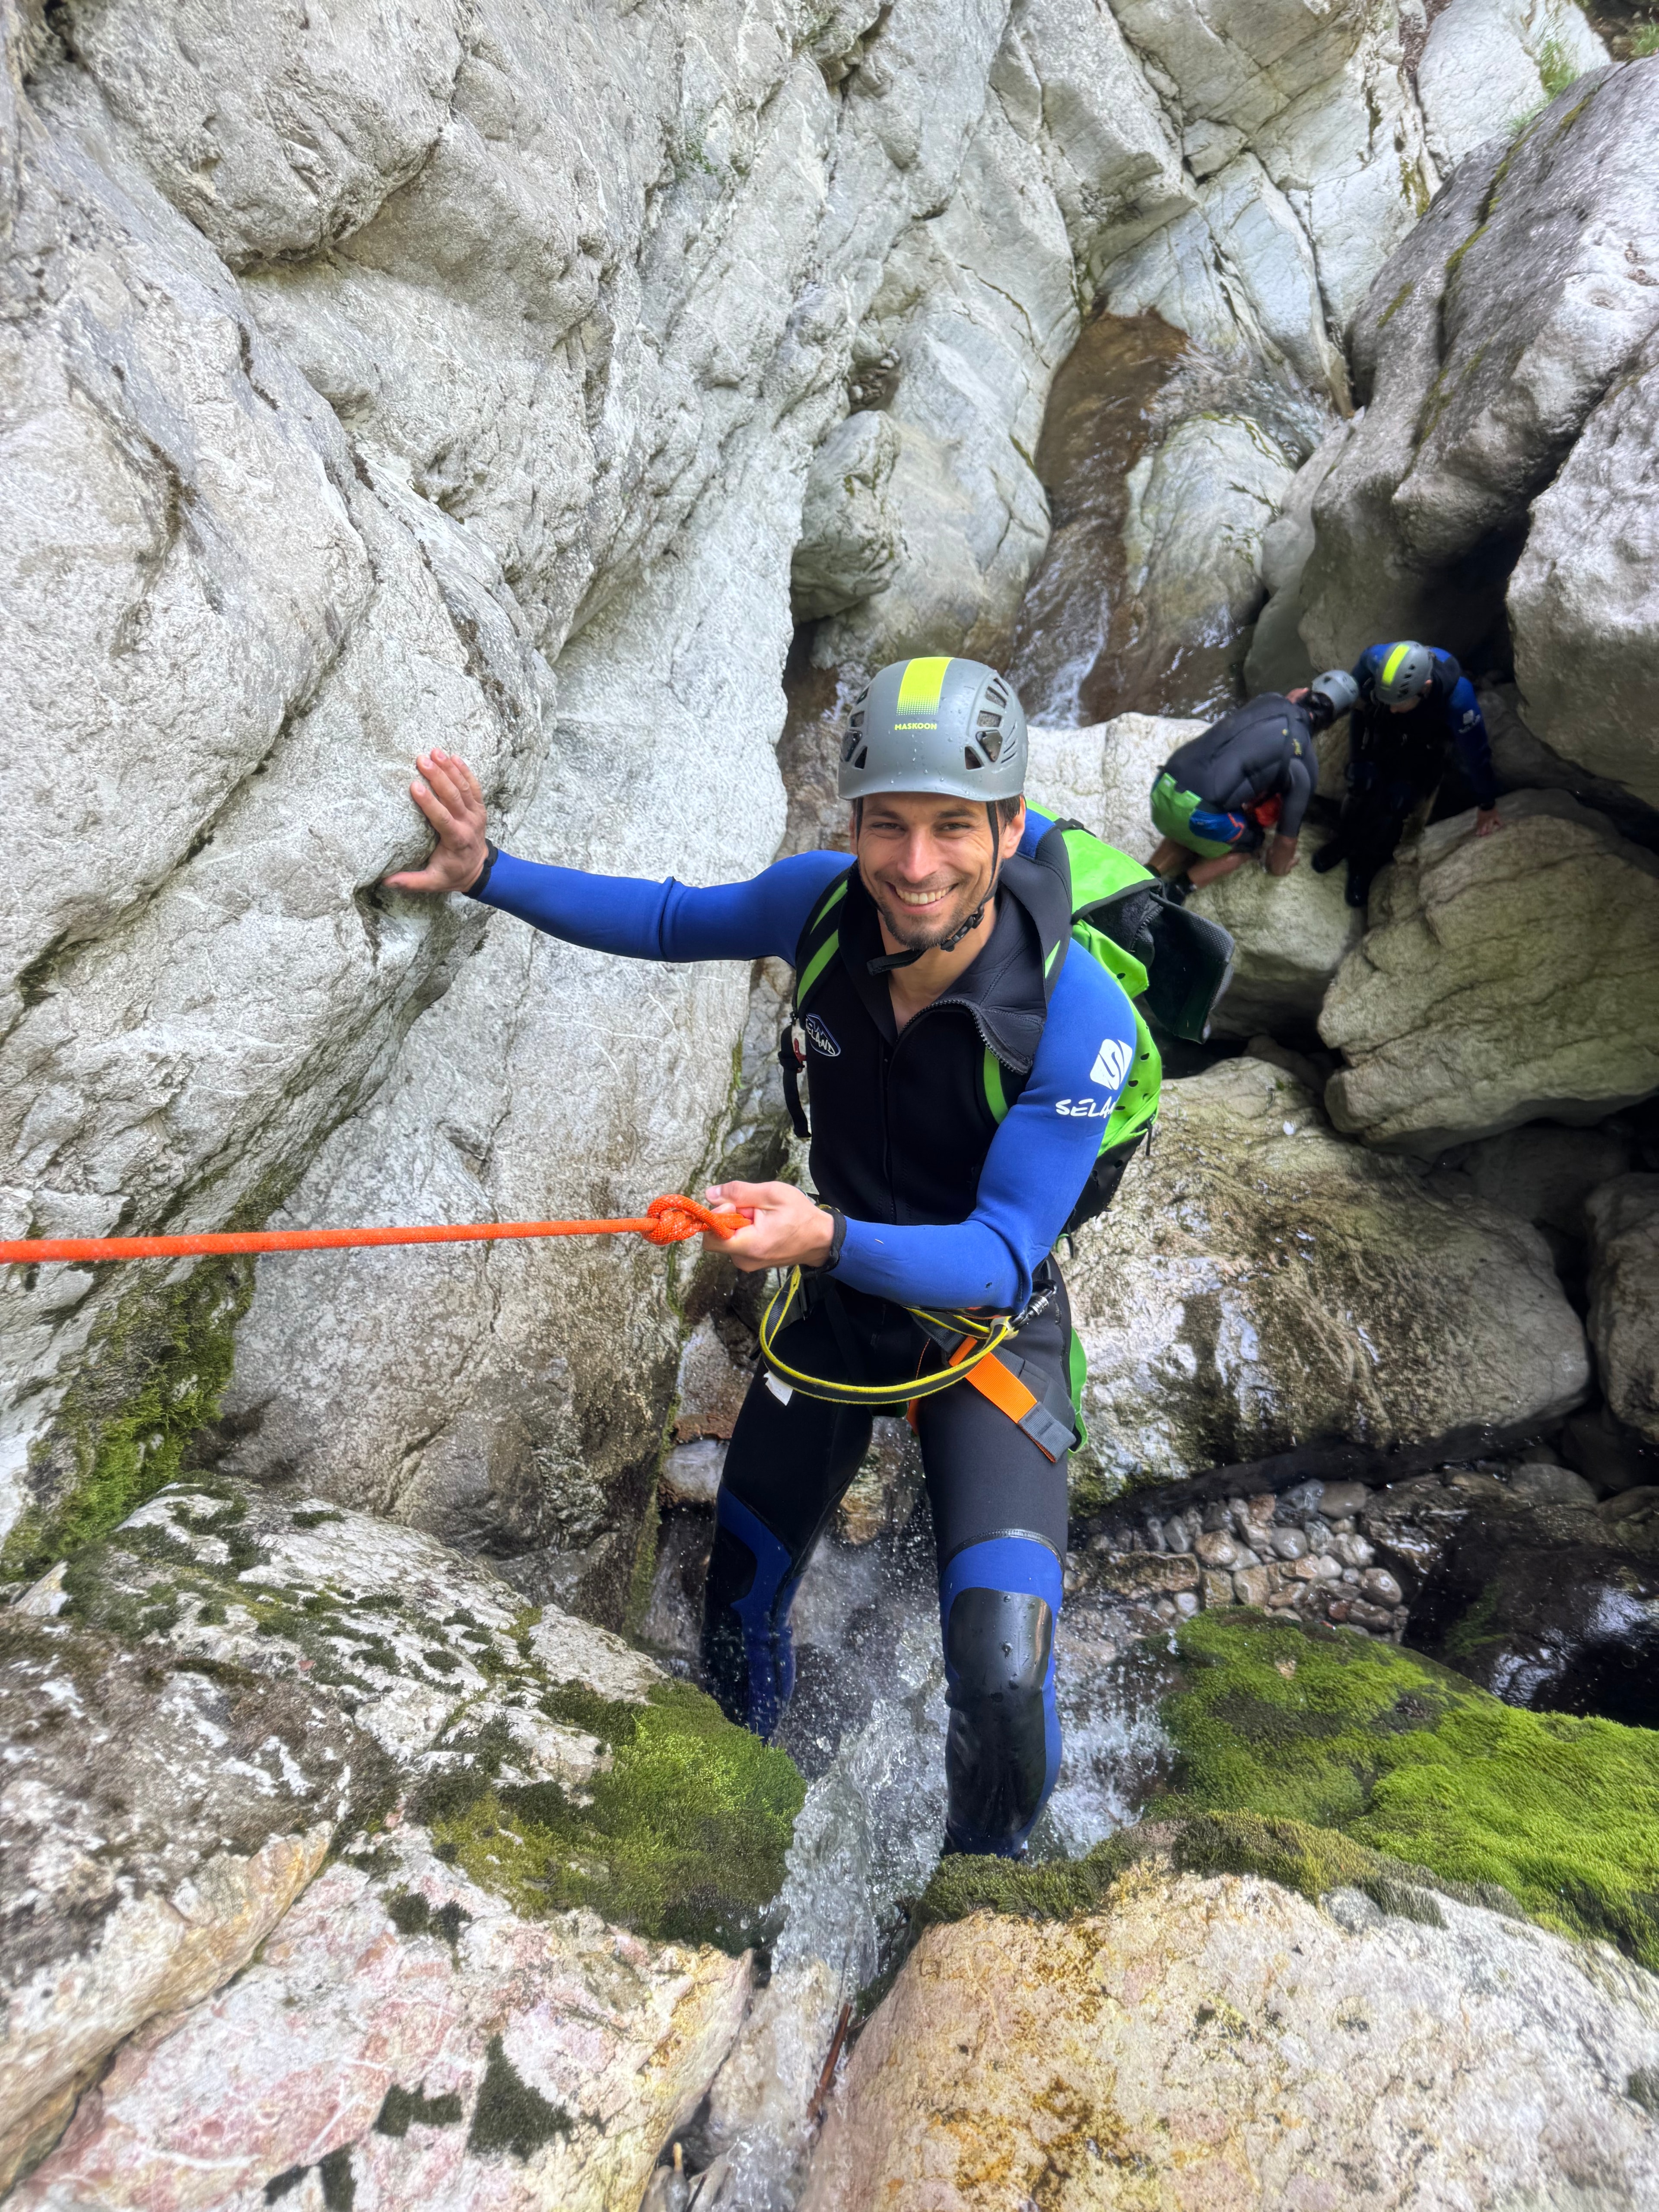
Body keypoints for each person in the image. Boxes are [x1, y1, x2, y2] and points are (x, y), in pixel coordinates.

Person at [384, 655, 1141, 1859]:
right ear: (852, 824)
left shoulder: (1078, 1013)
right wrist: (488, 872)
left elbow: (1001, 1257)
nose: (915, 863)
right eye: (887, 825)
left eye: (953, 826)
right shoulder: (819, 907)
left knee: (1002, 1669)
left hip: (985, 1334)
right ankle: (737, 1811)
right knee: (737, 1592)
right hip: (837, 1311)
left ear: (1009, 829)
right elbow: (669, 919)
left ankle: (974, 1891)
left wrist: (822, 1233)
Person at [1312, 639, 1503, 908]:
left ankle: (1365, 865)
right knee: (1362, 782)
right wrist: (1358, 756)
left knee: (1397, 802)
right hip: (1381, 722)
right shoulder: (1375, 659)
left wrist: (1487, 803)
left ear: (1425, 688)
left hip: (1424, 742)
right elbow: (1356, 703)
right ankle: (1344, 841)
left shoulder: (1458, 698)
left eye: (1400, 701)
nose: (1394, 707)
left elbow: (1477, 753)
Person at [1147, 671, 1360, 890]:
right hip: (1200, 816)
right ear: (1330, 724)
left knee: (1189, 816)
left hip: (1162, 787)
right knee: (1251, 842)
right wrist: (1280, 867)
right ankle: (1179, 889)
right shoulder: (1305, 765)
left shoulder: (1268, 699)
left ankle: (1147, 874)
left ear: (1305, 691)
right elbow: (1284, 844)